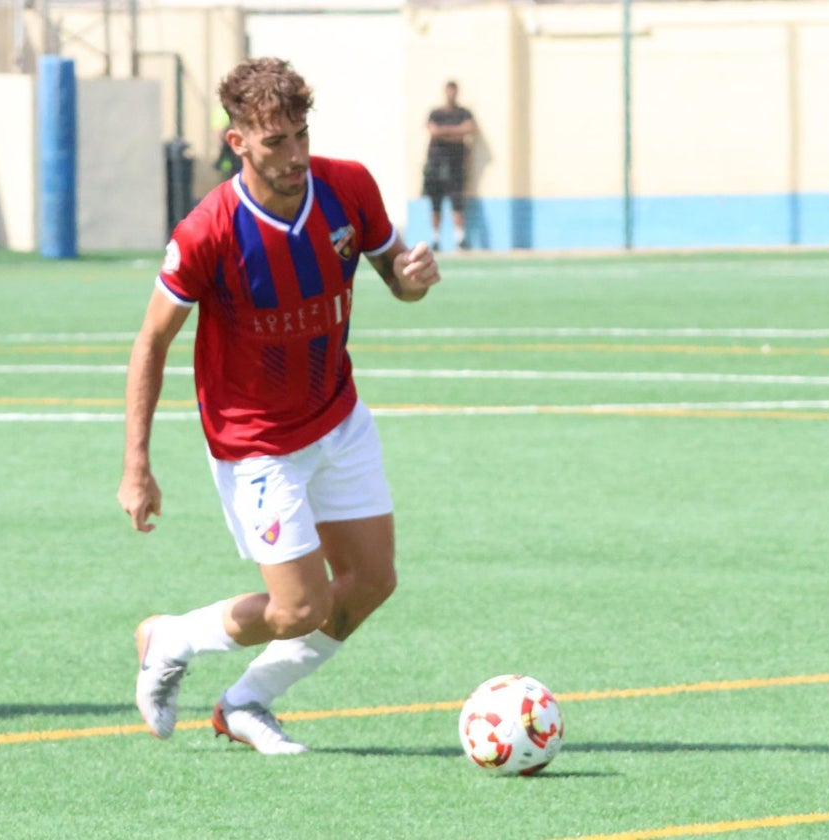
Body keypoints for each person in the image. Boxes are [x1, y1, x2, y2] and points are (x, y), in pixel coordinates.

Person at [117, 57, 441, 754]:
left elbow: (397, 279)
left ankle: (245, 703)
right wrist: (136, 466)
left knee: (372, 581)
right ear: (237, 142)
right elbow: (150, 345)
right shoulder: (208, 231)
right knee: (300, 608)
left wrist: (415, 280)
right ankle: (170, 638)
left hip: (337, 417)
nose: (295, 156)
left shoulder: (348, 188)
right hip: (257, 441)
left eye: (301, 135)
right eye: (275, 143)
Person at [422, 80, 476, 251]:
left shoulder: (464, 113)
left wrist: (444, 132)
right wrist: (456, 132)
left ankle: (460, 239)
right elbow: (433, 131)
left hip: (456, 166)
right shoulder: (436, 113)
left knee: (457, 203)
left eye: (454, 91)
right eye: (449, 91)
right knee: (435, 204)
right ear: (445, 92)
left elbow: (469, 128)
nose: (451, 94)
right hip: (436, 165)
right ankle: (436, 239)